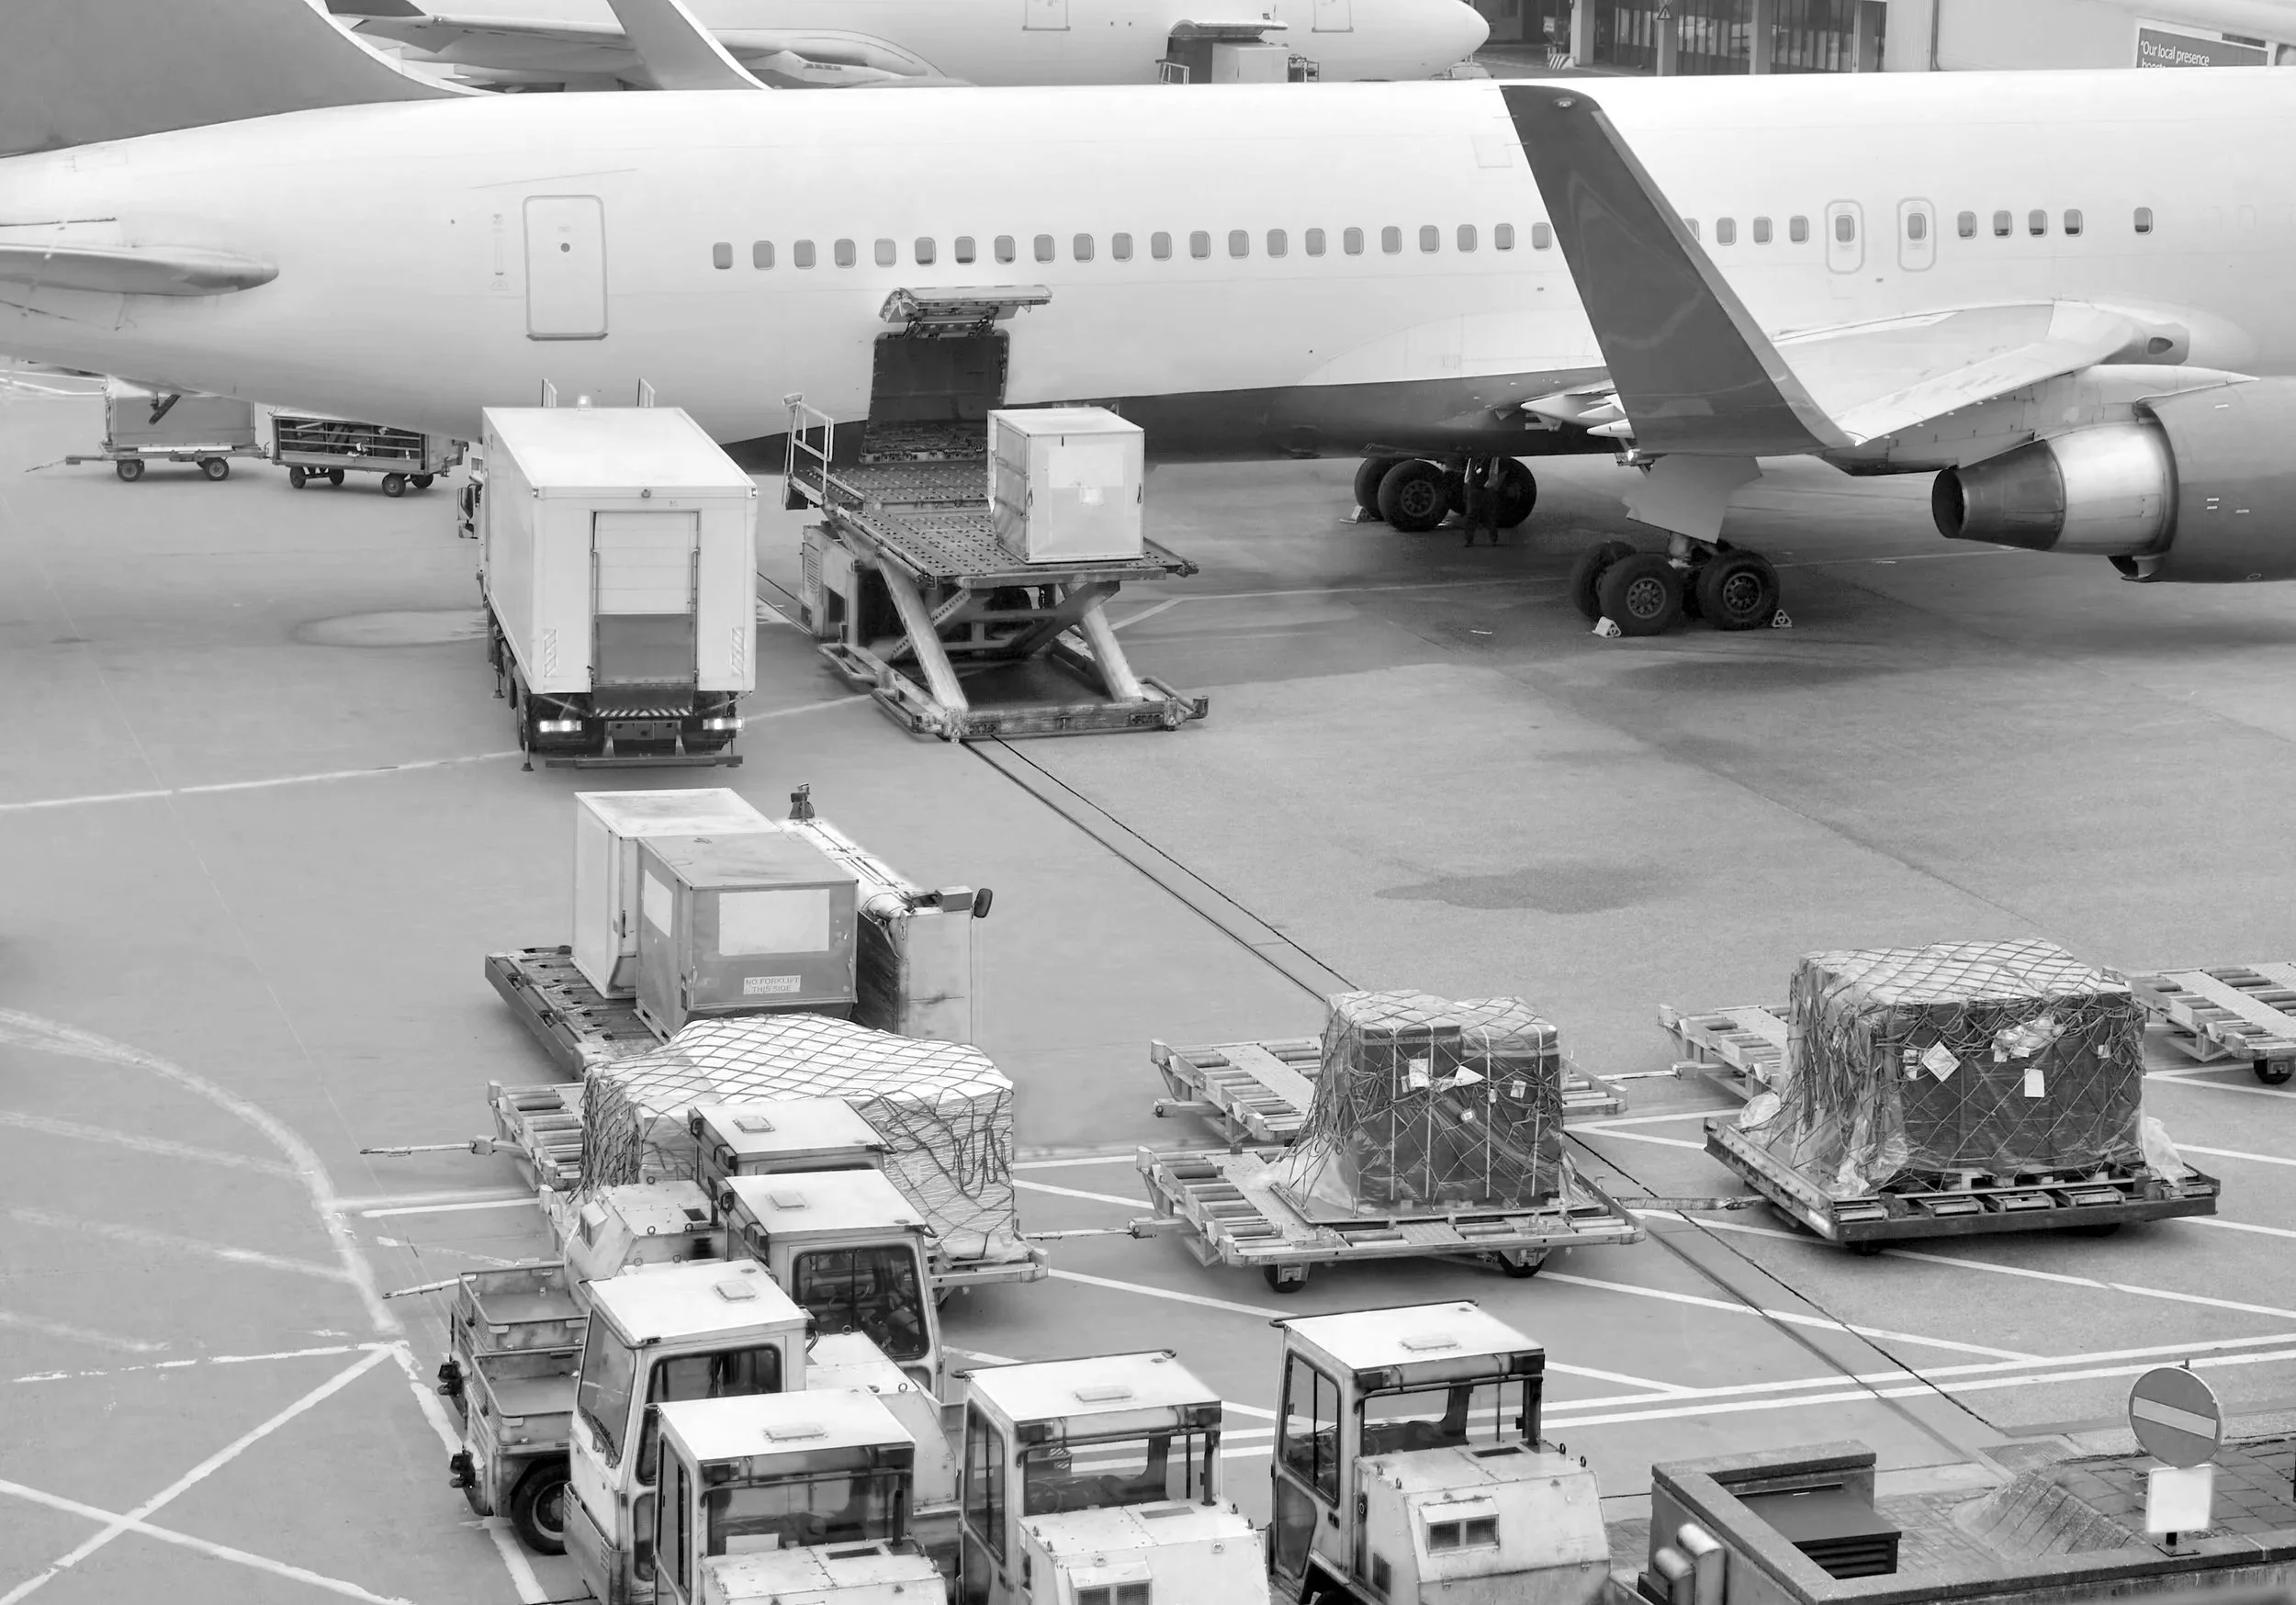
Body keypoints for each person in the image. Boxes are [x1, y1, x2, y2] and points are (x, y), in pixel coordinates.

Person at [1460, 457, 1502, 547]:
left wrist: (1467, 487)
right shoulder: (1492, 456)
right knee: (1487, 515)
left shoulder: (1475, 456)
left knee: (1474, 515)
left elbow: (1468, 474)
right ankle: (1492, 539)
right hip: (1481, 489)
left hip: (1479, 489)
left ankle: (1470, 540)